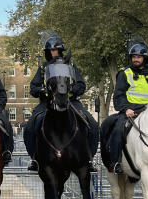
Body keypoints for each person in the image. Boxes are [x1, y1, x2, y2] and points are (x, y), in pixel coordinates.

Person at [23, 35, 99, 173]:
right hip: (48, 102)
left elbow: (81, 85)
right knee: (29, 127)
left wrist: (70, 91)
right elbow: (33, 87)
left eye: (56, 50)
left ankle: (88, 159)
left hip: (71, 102)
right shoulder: (43, 67)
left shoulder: (70, 65)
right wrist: (43, 90)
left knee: (92, 125)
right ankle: (34, 159)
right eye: (50, 50)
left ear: (60, 50)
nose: (53, 53)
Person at [103, 40, 148, 176]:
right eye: (134, 57)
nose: (136, 59)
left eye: (139, 57)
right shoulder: (125, 73)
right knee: (118, 129)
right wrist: (125, 109)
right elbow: (119, 94)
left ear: (144, 58)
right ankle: (116, 161)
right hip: (131, 111)